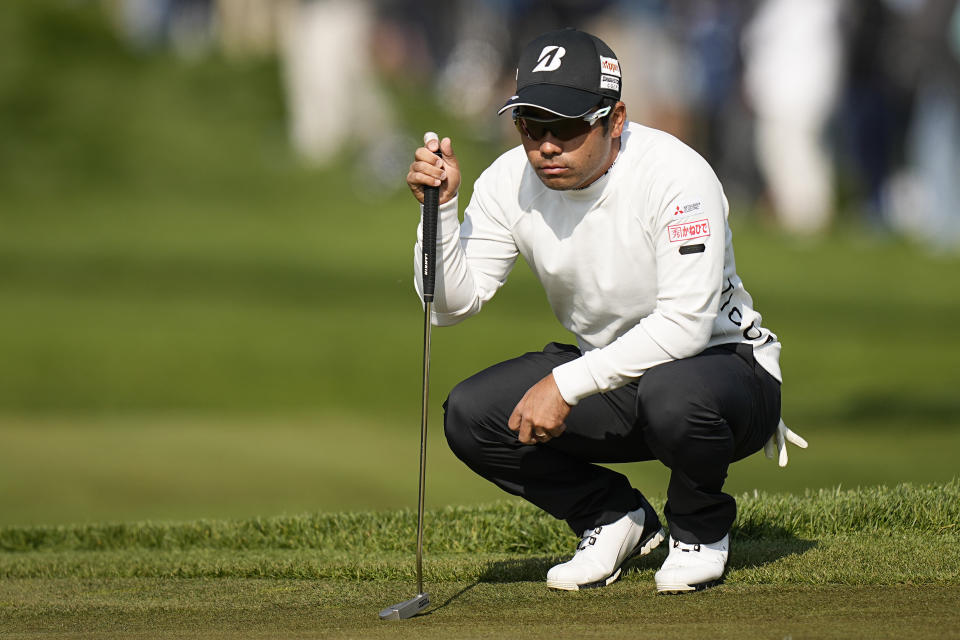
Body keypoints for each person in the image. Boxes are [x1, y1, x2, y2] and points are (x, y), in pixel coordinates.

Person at [405, 28, 807, 594]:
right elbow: (449, 304)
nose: (546, 145)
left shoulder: (675, 174)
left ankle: (698, 529)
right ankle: (612, 516)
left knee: (675, 392)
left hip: (729, 372)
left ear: (614, 119)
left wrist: (565, 385)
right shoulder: (508, 182)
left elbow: (686, 326)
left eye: (567, 128)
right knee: (473, 414)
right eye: (530, 126)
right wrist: (441, 212)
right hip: (617, 377)